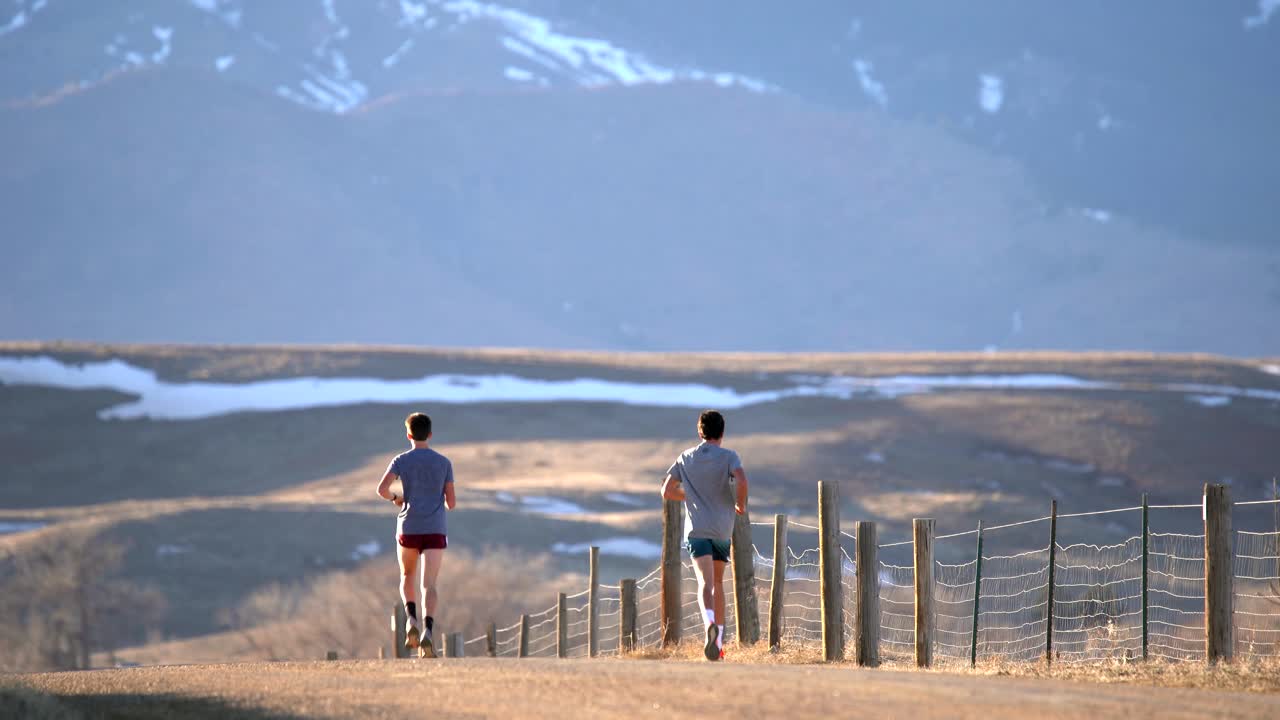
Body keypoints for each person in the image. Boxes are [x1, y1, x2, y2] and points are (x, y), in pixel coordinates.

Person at [660, 409, 748, 661]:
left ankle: (708, 622)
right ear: (722, 432)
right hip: (721, 528)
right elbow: (741, 479)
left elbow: (667, 490)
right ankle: (718, 643)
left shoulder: (686, 457)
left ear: (700, 432)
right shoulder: (729, 456)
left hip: (697, 529)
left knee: (704, 584)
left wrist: (689, 496)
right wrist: (740, 504)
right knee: (718, 584)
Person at [377, 412, 456, 658]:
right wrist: (437, 502)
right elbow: (451, 503)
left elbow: (382, 489)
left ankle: (411, 620)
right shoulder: (444, 463)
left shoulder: (400, 460)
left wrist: (396, 498)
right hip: (435, 528)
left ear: (408, 435)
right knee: (429, 584)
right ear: (430, 434)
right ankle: (428, 631)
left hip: (408, 527)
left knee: (407, 576)